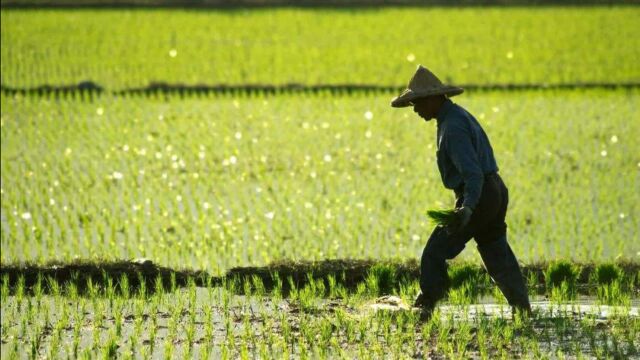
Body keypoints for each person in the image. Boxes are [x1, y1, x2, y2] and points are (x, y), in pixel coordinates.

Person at [390, 65, 532, 319]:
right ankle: (522, 309)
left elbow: (473, 173)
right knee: (495, 250)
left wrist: (467, 208)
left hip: (479, 194)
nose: (415, 109)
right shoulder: (455, 117)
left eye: (417, 102)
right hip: (495, 190)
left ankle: (426, 305)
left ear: (433, 98)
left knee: (435, 250)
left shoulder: (452, 128)